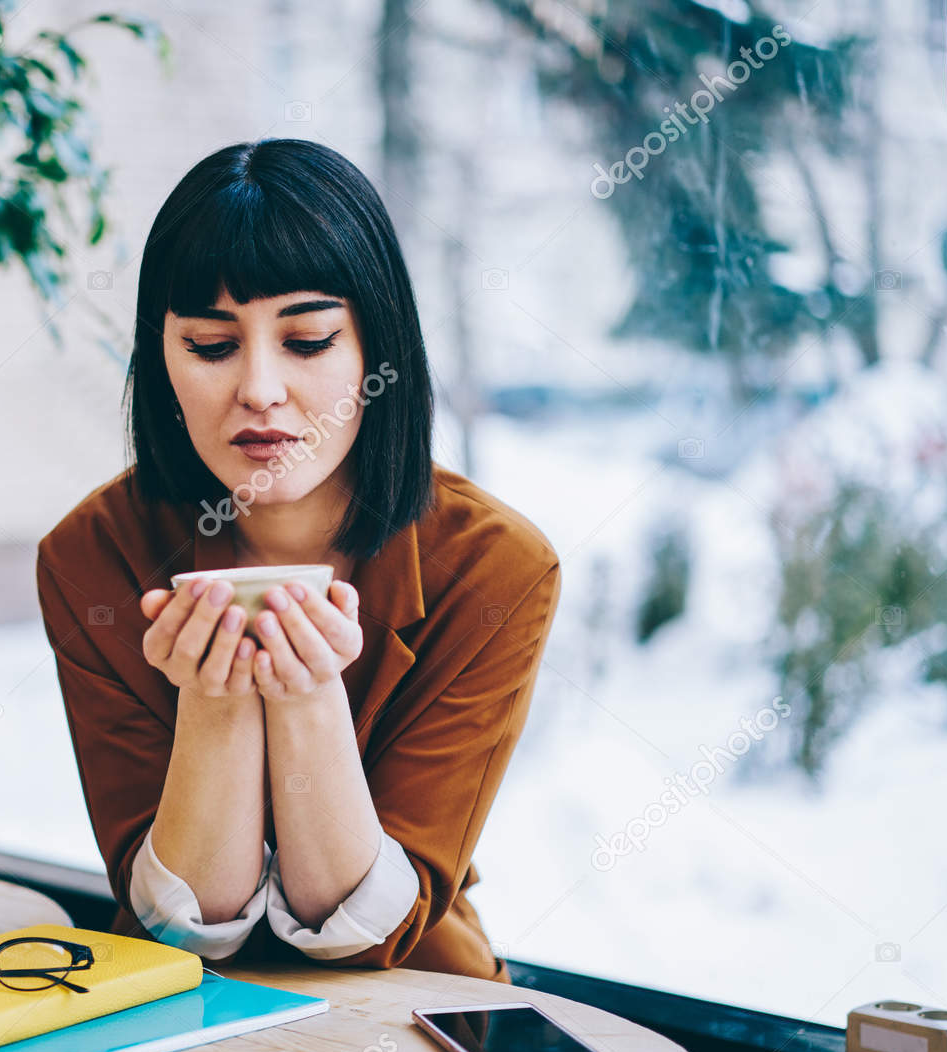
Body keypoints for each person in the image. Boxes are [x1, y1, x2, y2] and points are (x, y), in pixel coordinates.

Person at [35, 139, 561, 981]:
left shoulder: (495, 567)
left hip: (416, 1011)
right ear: (161, 359)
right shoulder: (90, 556)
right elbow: (177, 932)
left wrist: (307, 694)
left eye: (309, 340)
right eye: (210, 346)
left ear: (377, 351)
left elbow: (370, 933)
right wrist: (215, 703)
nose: (259, 388)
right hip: (182, 1024)